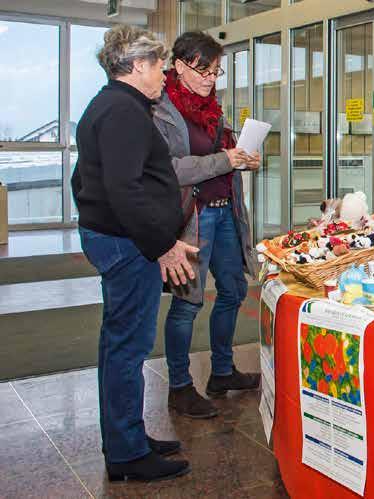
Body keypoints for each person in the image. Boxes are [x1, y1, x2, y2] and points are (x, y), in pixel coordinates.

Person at [72, 25, 196, 482]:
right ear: (139, 65)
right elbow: (124, 190)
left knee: (118, 345)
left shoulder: (109, 105)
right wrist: (161, 244)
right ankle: (127, 453)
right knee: (128, 348)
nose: (164, 74)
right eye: (160, 65)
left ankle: (127, 435)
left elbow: (84, 180)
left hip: (120, 239)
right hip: (129, 246)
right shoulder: (123, 112)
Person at [155, 31, 262, 419]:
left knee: (233, 291)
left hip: (225, 210)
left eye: (216, 72)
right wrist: (224, 161)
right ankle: (180, 386)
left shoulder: (213, 108)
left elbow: (225, 155)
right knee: (188, 302)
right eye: (204, 71)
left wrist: (245, 159)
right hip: (193, 217)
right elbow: (168, 169)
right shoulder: (161, 110)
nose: (210, 79)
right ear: (180, 66)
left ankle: (222, 371)